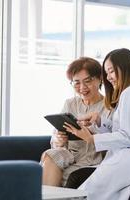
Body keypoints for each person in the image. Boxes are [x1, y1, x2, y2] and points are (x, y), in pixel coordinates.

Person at [64, 48, 130, 199]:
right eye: (107, 73)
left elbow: (128, 137)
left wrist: (91, 138)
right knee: (83, 191)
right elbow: (125, 130)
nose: (108, 77)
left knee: (83, 194)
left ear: (124, 68)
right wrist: (99, 121)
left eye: (111, 71)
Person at [40, 57, 107, 187]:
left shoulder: (109, 106)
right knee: (50, 155)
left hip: (93, 160)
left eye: (87, 81)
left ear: (100, 79)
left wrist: (91, 133)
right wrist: (58, 140)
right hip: (69, 157)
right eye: (76, 83)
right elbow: (56, 137)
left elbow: (115, 139)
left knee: (70, 174)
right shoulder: (70, 103)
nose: (82, 87)